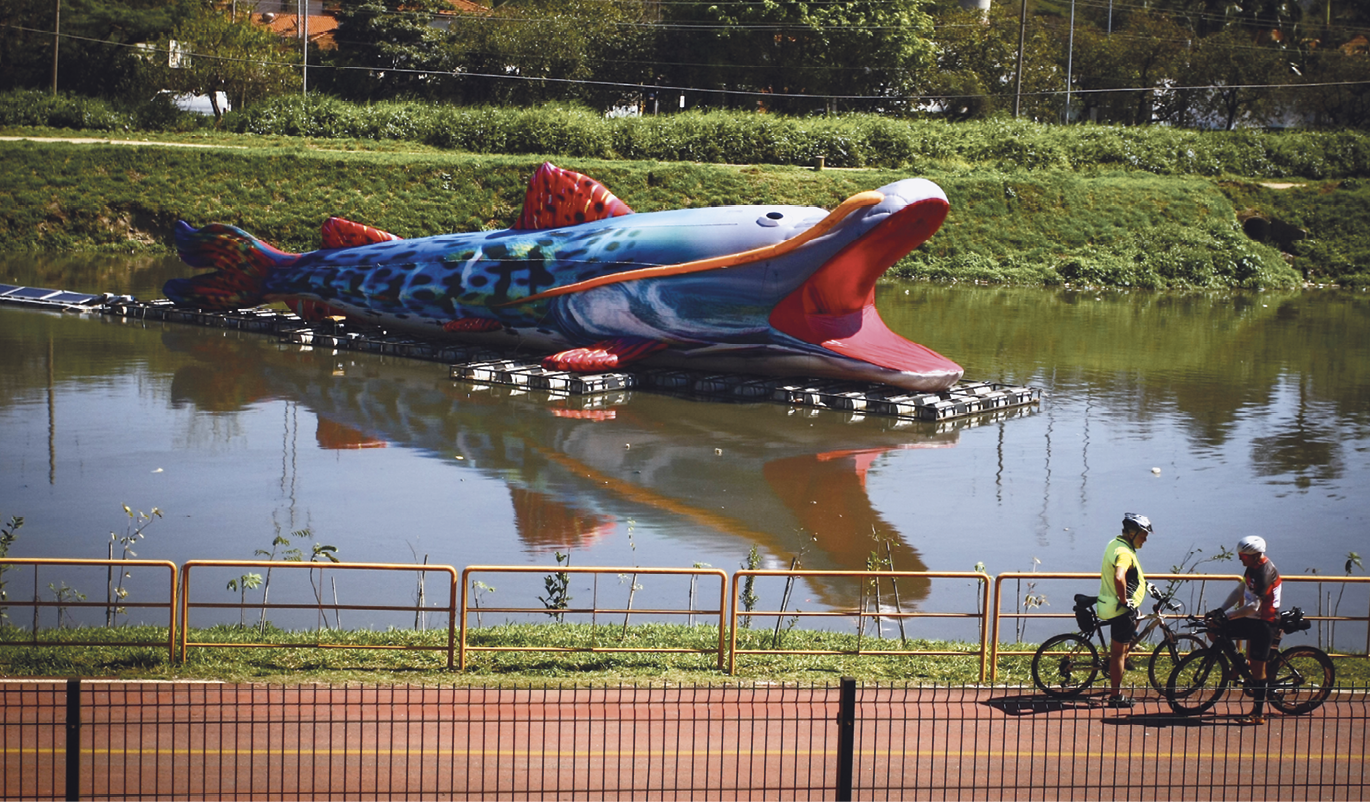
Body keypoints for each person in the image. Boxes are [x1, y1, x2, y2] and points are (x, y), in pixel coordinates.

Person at [1209, 535, 1282, 725]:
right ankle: (1241, 663)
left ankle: (1258, 713)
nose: (1240, 558)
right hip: (1251, 618)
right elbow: (1240, 590)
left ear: (1256, 555)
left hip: (1265, 621)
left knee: (1259, 669)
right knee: (1213, 627)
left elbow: (1253, 607)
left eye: (1243, 556)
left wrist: (1229, 616)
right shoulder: (1252, 567)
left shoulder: (1264, 573)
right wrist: (1221, 610)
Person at [1097, 513, 1151, 708]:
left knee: (1137, 619)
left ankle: (1124, 657)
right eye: (1143, 535)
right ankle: (1115, 696)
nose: (1145, 539)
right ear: (1132, 533)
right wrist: (1124, 600)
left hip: (1109, 603)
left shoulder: (1115, 544)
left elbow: (1130, 576)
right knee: (1118, 653)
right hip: (1119, 610)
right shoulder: (1125, 553)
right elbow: (1120, 576)